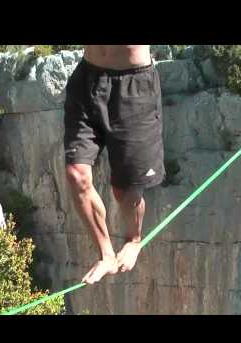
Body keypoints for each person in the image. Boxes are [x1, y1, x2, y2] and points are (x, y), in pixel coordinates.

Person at [63, 45, 165, 285]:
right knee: (76, 175)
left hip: (134, 86)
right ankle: (106, 254)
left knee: (126, 189)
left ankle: (134, 238)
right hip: (87, 79)